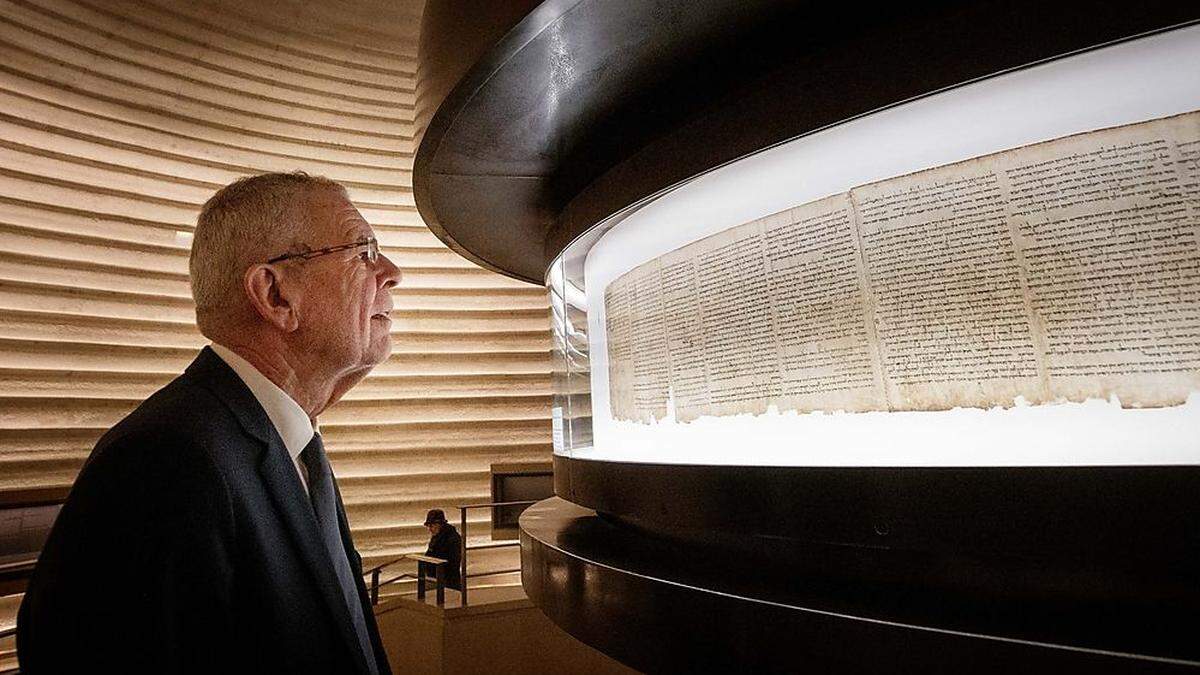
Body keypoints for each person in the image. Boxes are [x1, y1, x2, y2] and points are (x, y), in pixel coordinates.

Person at [17, 172, 401, 674]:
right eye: (363, 251)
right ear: (275, 295)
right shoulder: (163, 461)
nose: (392, 272)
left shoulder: (287, 443)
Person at [422, 508, 462, 591]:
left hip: (447, 581)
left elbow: (452, 561)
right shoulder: (438, 537)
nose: (430, 529)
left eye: (431, 526)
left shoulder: (451, 538)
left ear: (439, 524)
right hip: (437, 577)